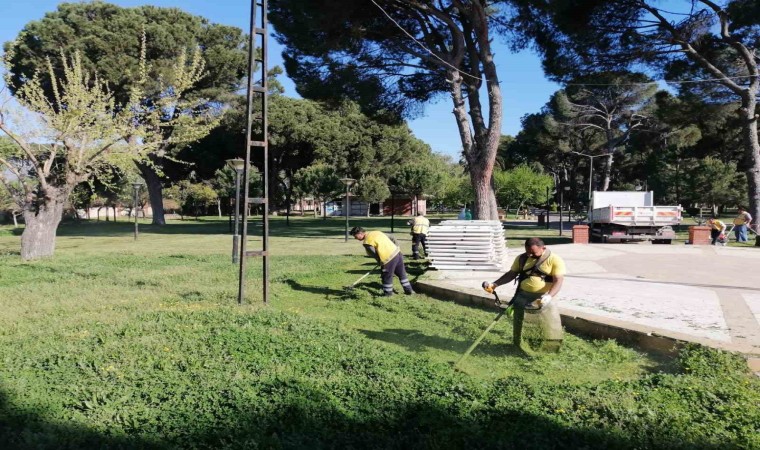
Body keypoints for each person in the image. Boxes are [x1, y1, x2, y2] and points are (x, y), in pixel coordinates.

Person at [482, 237, 566, 353]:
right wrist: (495, 284)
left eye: (533, 253)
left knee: (547, 324)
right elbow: (511, 274)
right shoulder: (521, 258)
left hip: (544, 299)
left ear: (543, 248)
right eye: (528, 252)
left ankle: (548, 349)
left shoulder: (554, 259)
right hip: (522, 296)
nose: (530, 255)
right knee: (519, 322)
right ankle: (518, 346)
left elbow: (558, 280)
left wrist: (549, 296)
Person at [350, 226, 414, 296]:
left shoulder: (367, 242)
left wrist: (380, 262)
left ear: (360, 233)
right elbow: (392, 237)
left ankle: (388, 294)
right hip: (397, 253)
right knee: (402, 274)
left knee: (386, 276)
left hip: (388, 258)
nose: (355, 238)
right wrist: (397, 247)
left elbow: (375, 254)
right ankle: (409, 291)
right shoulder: (376, 232)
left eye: (355, 236)